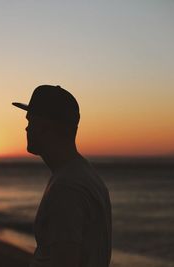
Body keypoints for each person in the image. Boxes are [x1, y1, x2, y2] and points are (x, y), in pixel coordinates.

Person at [12, 85, 112, 267]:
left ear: (45, 126)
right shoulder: (83, 175)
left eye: (30, 121)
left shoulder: (67, 187)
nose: (26, 128)